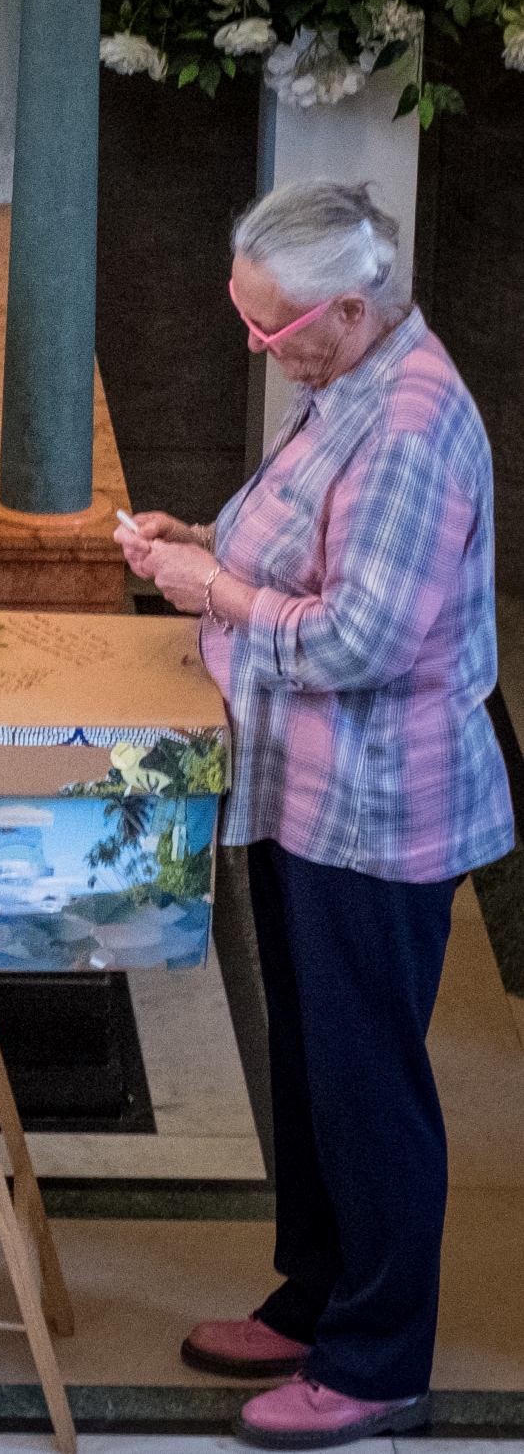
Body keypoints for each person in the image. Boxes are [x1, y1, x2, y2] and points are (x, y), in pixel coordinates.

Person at [119, 181, 509, 1452]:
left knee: (368, 1083)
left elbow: (362, 635)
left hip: (378, 804)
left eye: (272, 331)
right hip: (307, 789)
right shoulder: (342, 381)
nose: (255, 349)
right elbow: (296, 539)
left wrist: (213, 590)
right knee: (307, 1062)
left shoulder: (407, 421)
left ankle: (376, 1353)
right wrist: (203, 540)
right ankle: (311, 1294)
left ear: (349, 308)